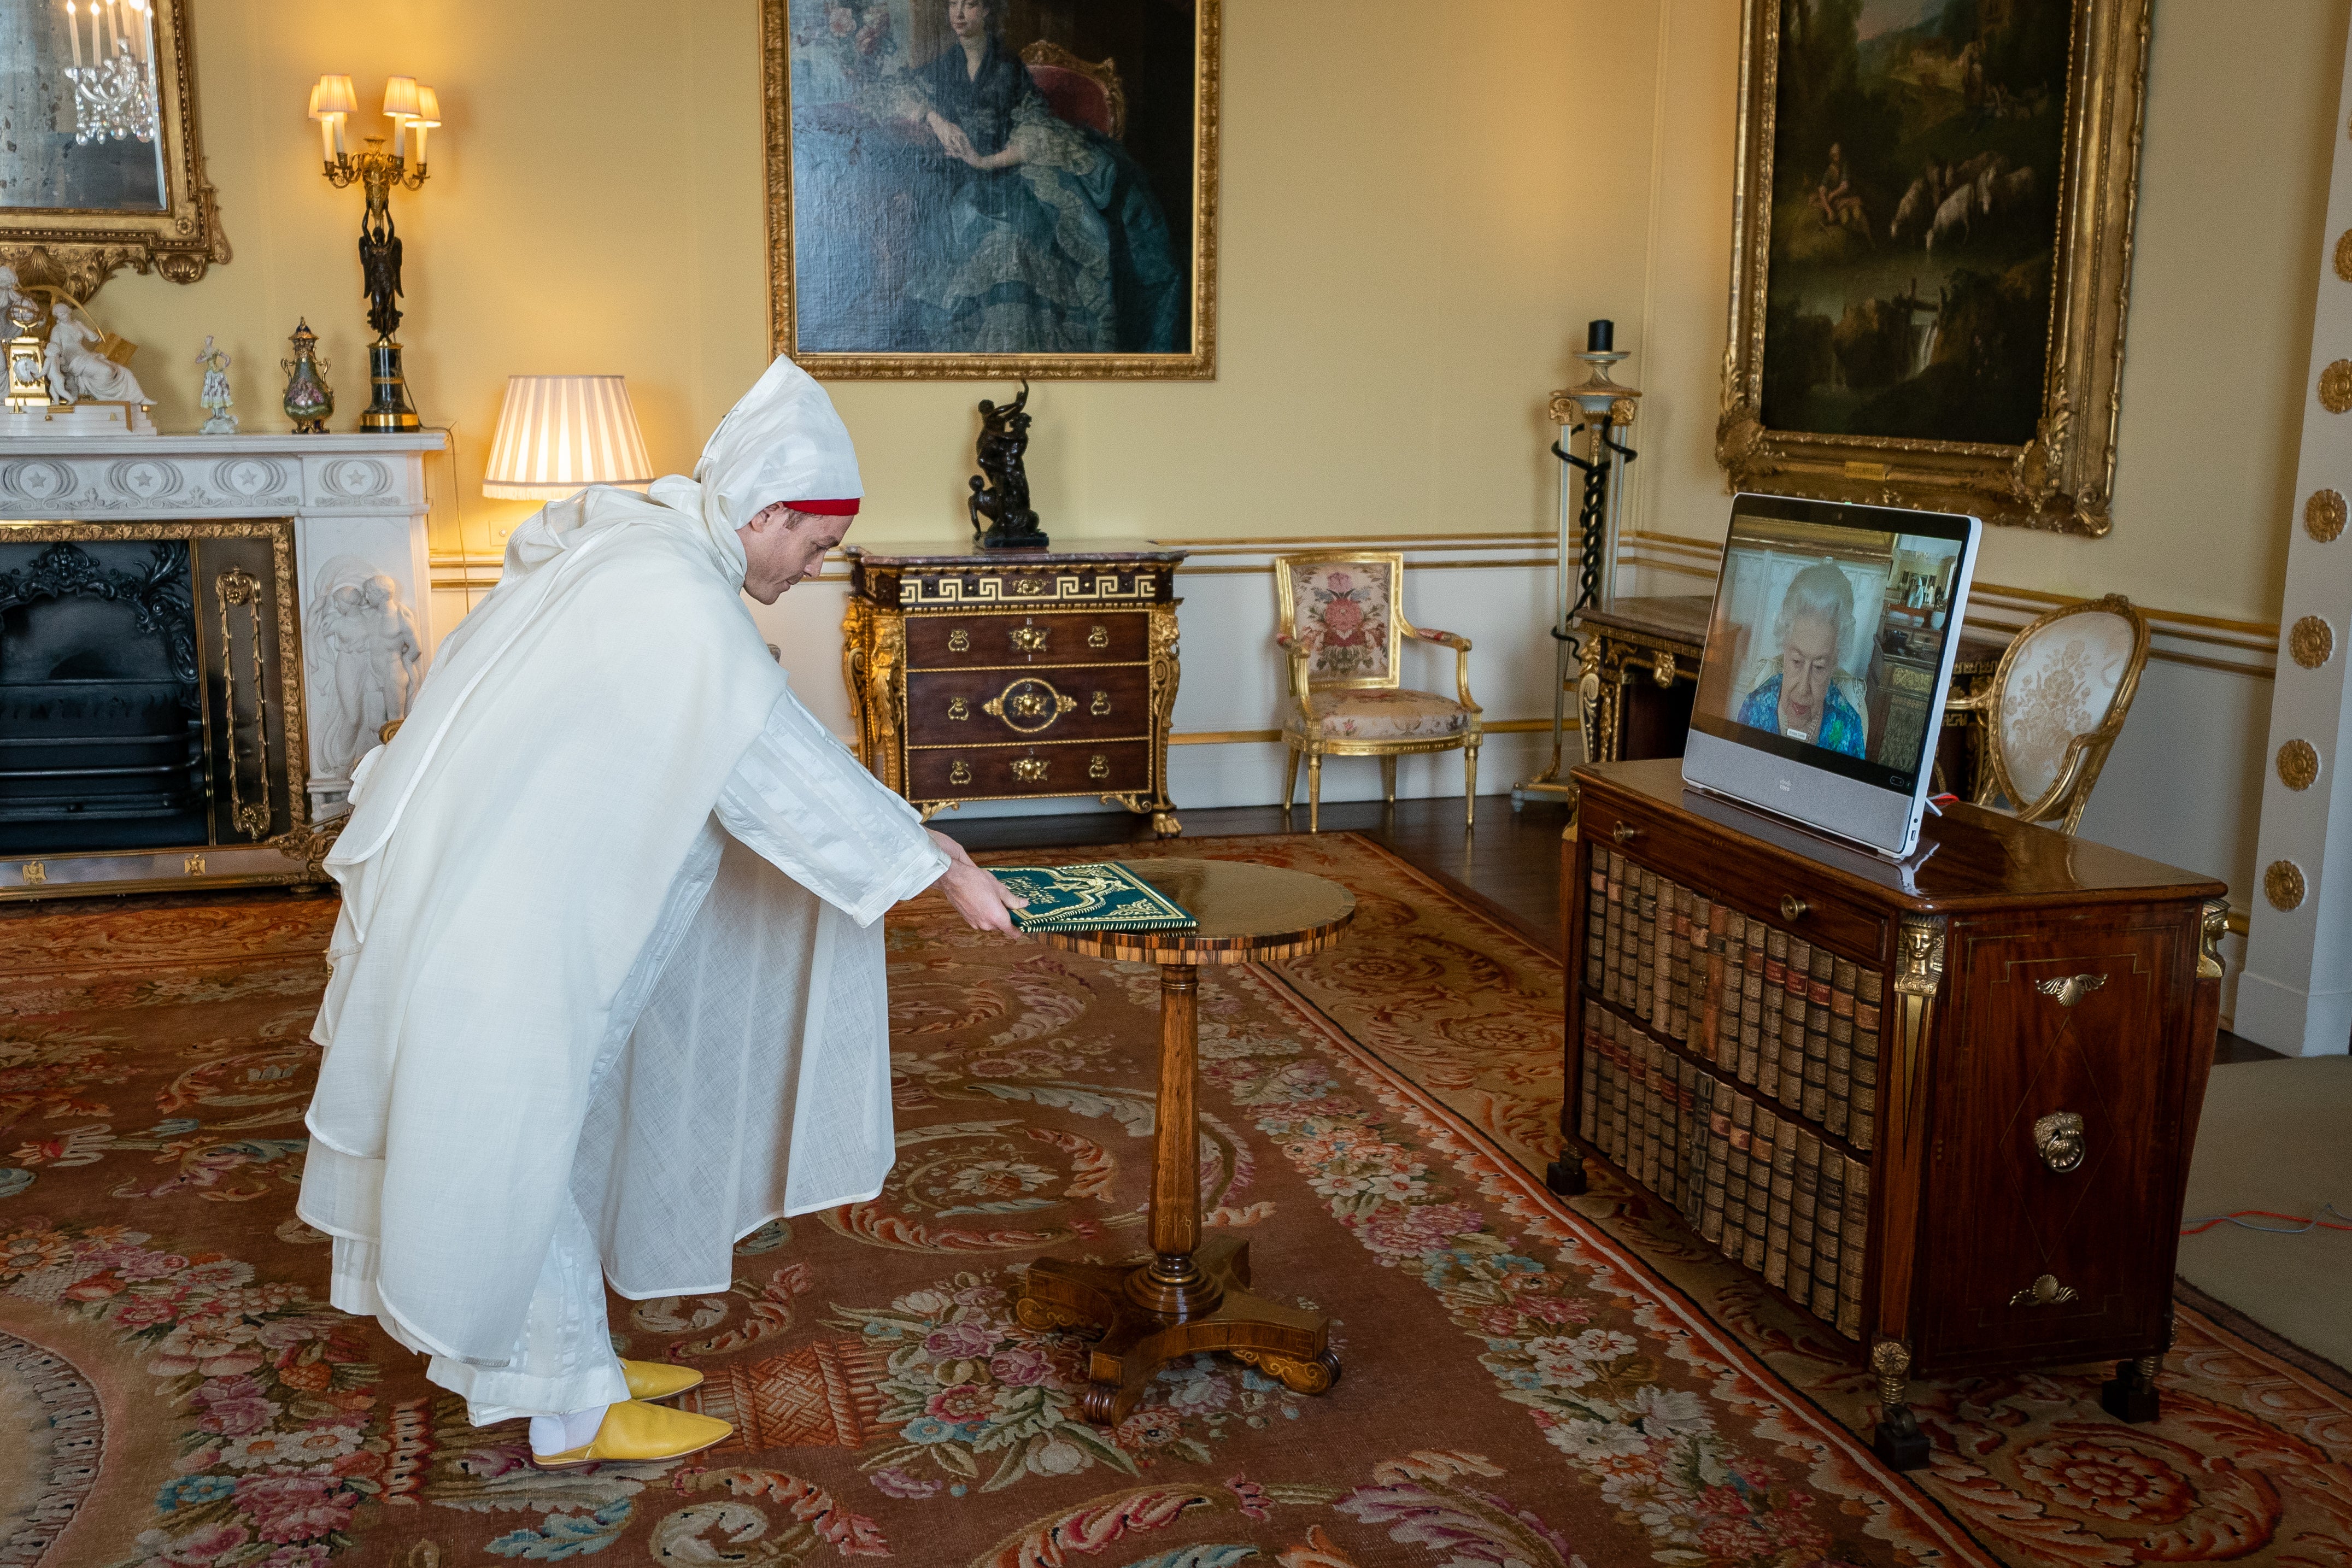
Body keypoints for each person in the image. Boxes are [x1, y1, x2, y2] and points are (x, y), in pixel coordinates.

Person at [296, 356, 1027, 1470]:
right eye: (813, 547)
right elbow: (762, 756)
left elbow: (750, 736)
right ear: (767, 511)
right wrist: (937, 868)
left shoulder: (649, 549)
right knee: (529, 1134)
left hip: (526, 896)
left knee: (561, 1123)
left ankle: (568, 1363)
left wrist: (915, 838)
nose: (814, 567)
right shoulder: (674, 594)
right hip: (520, 918)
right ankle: (568, 1410)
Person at [898, 0, 1181, 352]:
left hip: (1007, 171)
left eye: (969, 5)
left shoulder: (1009, 67)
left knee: (1019, 234)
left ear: (986, 11)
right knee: (952, 233)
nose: (958, 14)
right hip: (955, 179)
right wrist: (936, 121)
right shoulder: (941, 67)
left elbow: (1035, 132)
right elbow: (898, 93)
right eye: (953, 4)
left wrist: (984, 162)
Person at [1735, 561, 1868, 758]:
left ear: (1834, 663)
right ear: (1785, 649)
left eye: (1819, 667)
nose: (1803, 688)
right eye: (1797, 661)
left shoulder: (1848, 727)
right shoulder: (1755, 707)